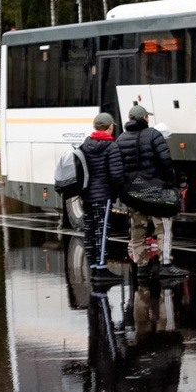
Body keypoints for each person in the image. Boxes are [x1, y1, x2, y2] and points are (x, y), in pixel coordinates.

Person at [117, 101, 182, 284]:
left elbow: (118, 167)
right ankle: (166, 264)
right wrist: (170, 183)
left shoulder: (121, 139)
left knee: (137, 229)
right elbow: (165, 160)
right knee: (163, 227)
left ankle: (141, 267)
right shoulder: (154, 135)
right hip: (156, 190)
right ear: (144, 118)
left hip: (134, 194)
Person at [80, 110, 124, 286]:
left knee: (90, 230)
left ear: (94, 127)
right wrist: (118, 191)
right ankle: (101, 268)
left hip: (87, 194)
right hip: (103, 194)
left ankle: (92, 265)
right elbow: (116, 175)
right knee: (102, 230)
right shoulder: (111, 147)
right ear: (111, 127)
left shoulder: (86, 144)